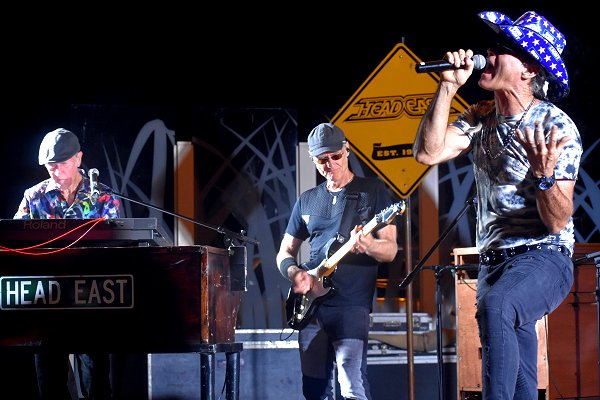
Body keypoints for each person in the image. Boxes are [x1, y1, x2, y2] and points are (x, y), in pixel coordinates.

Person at [412, 10, 582, 400]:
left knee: (497, 307)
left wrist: (543, 176)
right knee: (521, 379)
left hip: (544, 258)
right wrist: (447, 88)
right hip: (494, 264)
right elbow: (427, 152)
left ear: (528, 69)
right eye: (489, 47)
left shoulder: (553, 126)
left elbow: (558, 222)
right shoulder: (480, 117)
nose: (486, 54)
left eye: (499, 50)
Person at [276, 123, 399, 400]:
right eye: (322, 160)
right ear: (313, 160)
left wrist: (368, 244)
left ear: (346, 150)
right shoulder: (307, 200)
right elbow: (284, 251)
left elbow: (390, 250)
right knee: (314, 388)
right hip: (310, 307)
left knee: (351, 381)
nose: (330, 164)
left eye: (335, 156)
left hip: (351, 305)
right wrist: (296, 273)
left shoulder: (372, 191)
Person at [14, 128, 120, 399]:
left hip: (93, 296)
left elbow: (120, 249)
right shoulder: (34, 197)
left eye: (61, 164)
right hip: (48, 298)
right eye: (51, 166)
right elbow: (14, 241)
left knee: (96, 378)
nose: (56, 171)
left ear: (78, 159)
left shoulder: (104, 197)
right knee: (49, 378)